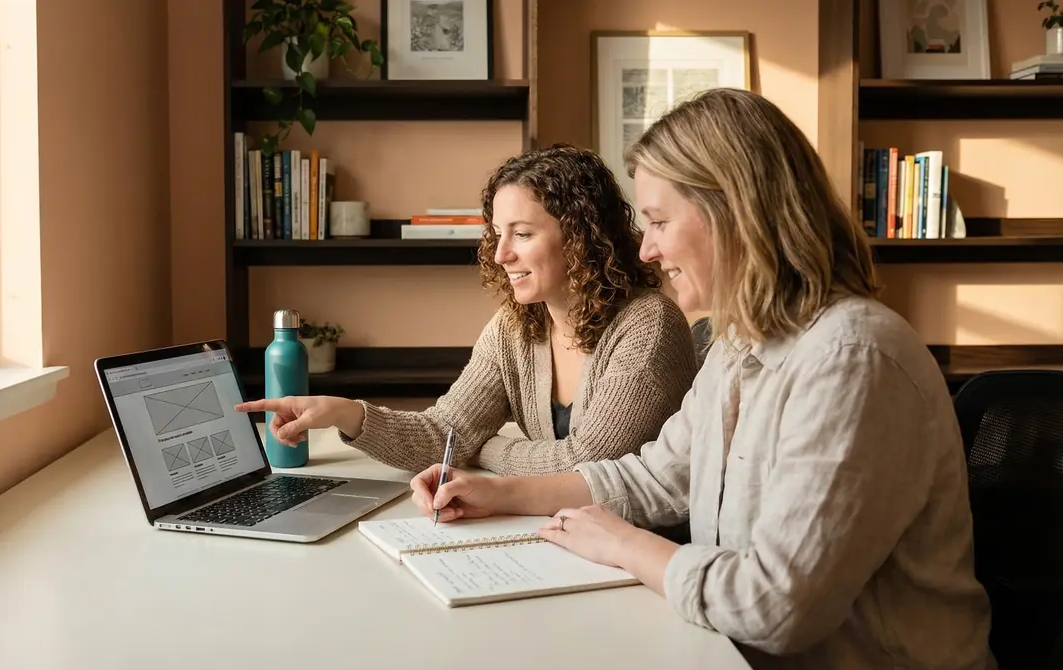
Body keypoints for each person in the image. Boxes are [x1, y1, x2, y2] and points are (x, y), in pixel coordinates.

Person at [409, 89, 996, 669]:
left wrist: (628, 545)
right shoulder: (738, 343)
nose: (645, 250)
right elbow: (656, 477)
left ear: (736, 214)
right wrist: (498, 493)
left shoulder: (852, 359)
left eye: (660, 221)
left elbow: (777, 605)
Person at [235, 144, 700, 476]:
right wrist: (346, 413)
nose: (500, 255)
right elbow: (445, 435)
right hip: (558, 536)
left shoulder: (648, 325)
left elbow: (589, 468)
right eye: (498, 234)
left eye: (522, 233)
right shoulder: (515, 328)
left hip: (635, 561)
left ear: (582, 236)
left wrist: (488, 450)